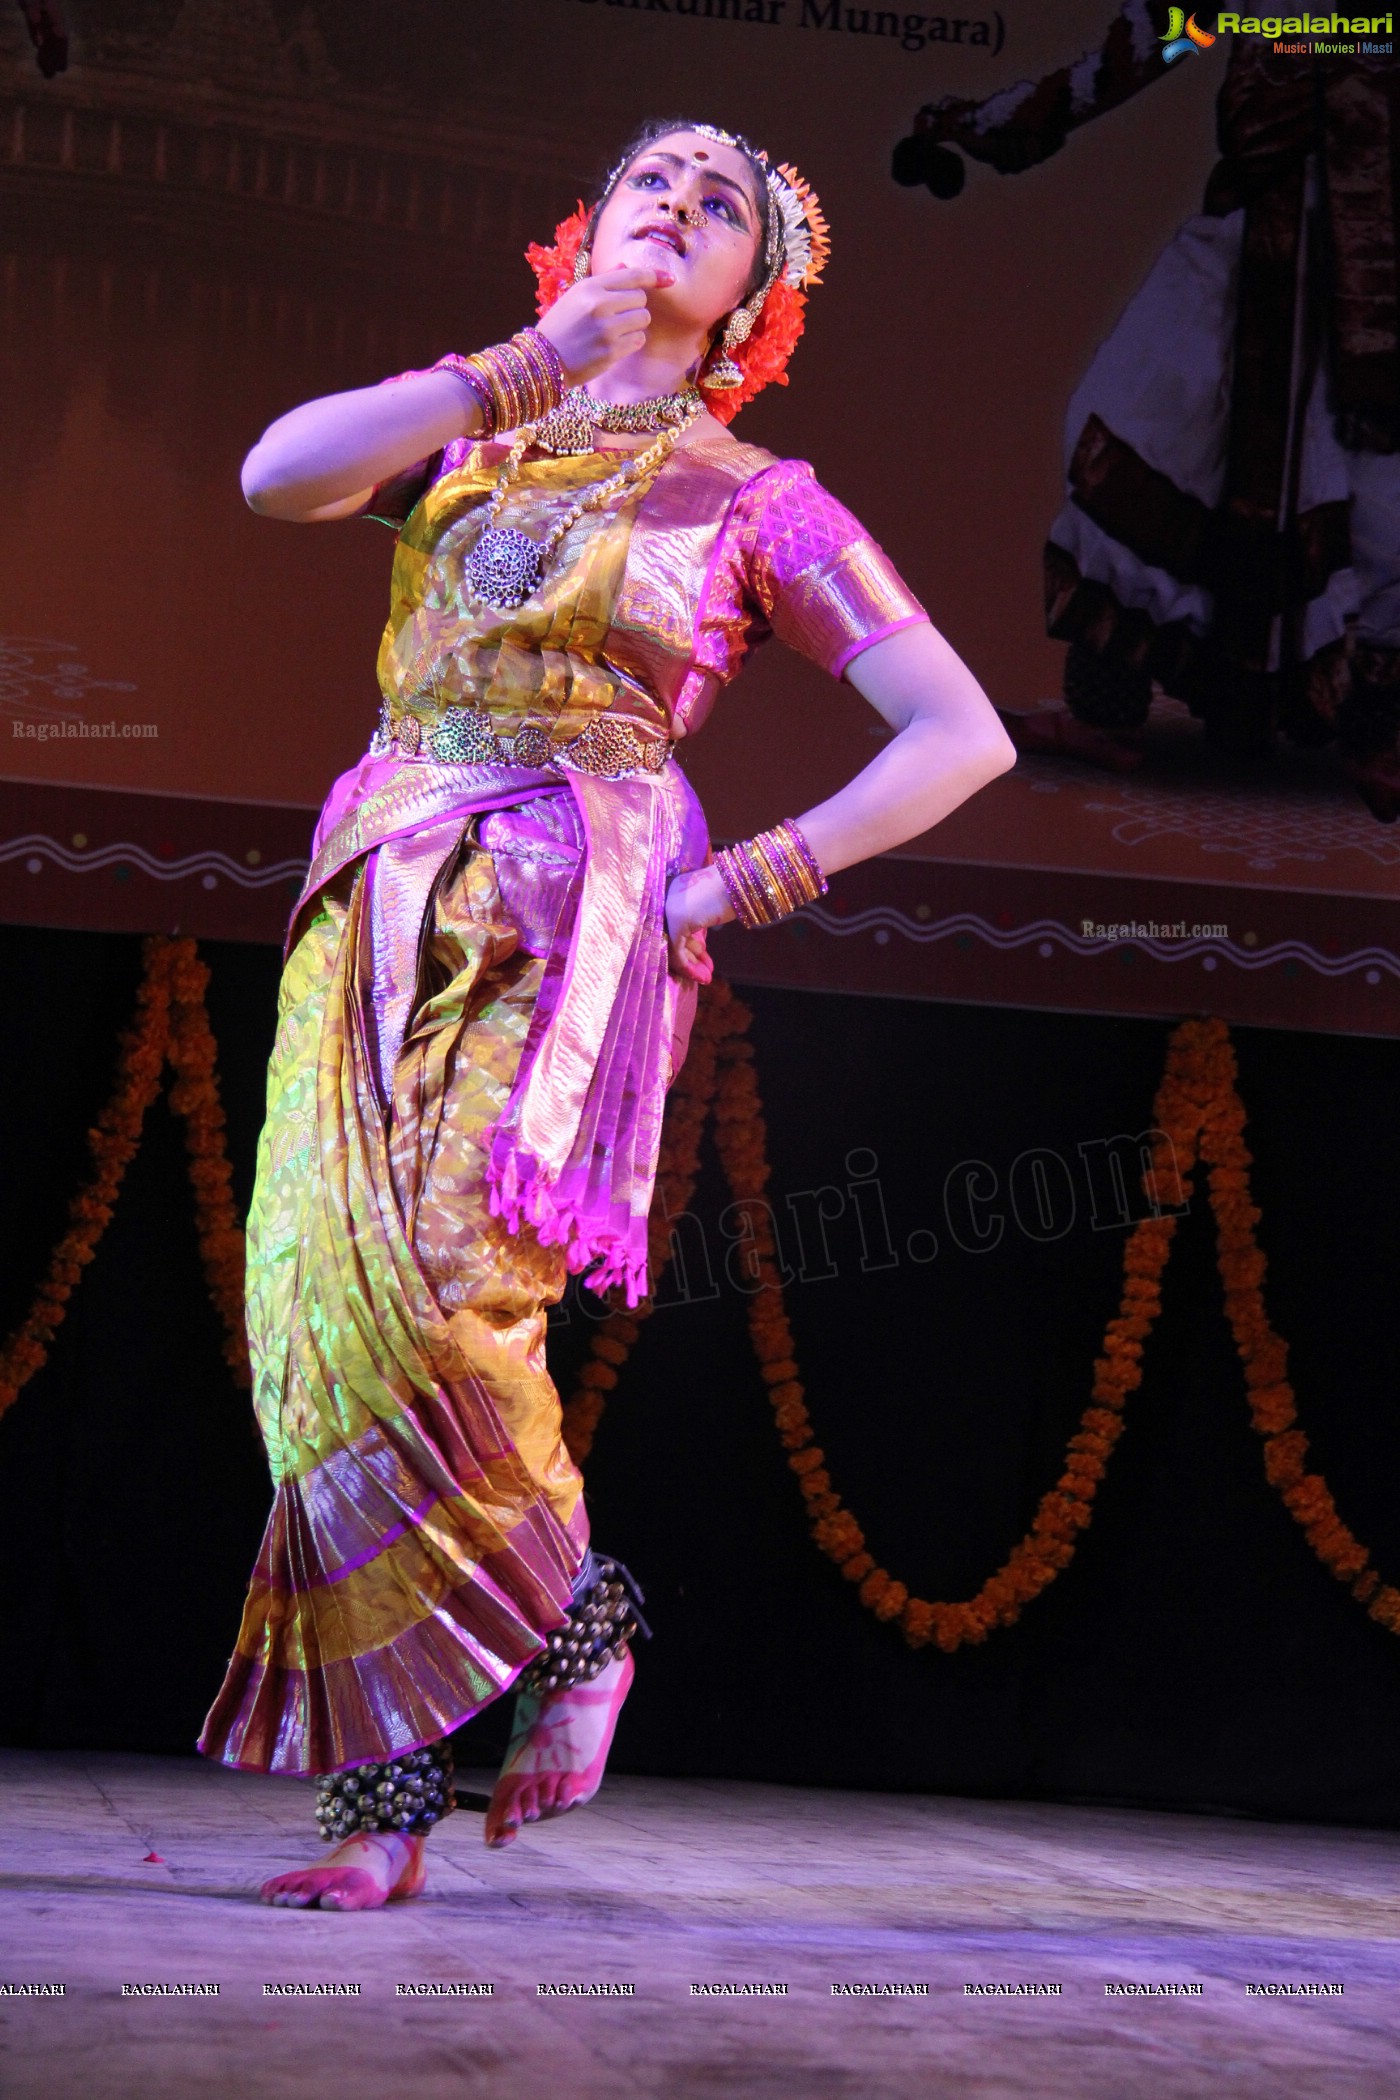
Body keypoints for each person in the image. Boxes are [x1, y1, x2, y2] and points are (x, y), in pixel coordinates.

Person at [198, 118, 1015, 1912]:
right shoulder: (471, 427)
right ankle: (412, 1768)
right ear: (586, 230)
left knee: (450, 1287)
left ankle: (567, 1631)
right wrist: (518, 365)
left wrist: (733, 888)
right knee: (314, 1308)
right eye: (655, 180)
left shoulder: (755, 496)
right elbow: (273, 478)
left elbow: (965, 735)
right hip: (381, 880)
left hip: (573, 905)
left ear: (750, 305)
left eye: (722, 207)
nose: (679, 207)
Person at [905, 6, 1400, 816]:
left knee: (1375, 492)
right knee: (1143, 429)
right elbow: (1151, 44)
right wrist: (992, 124)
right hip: (1256, 235)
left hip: (1371, 276)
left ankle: (1378, 732)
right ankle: (1107, 714)